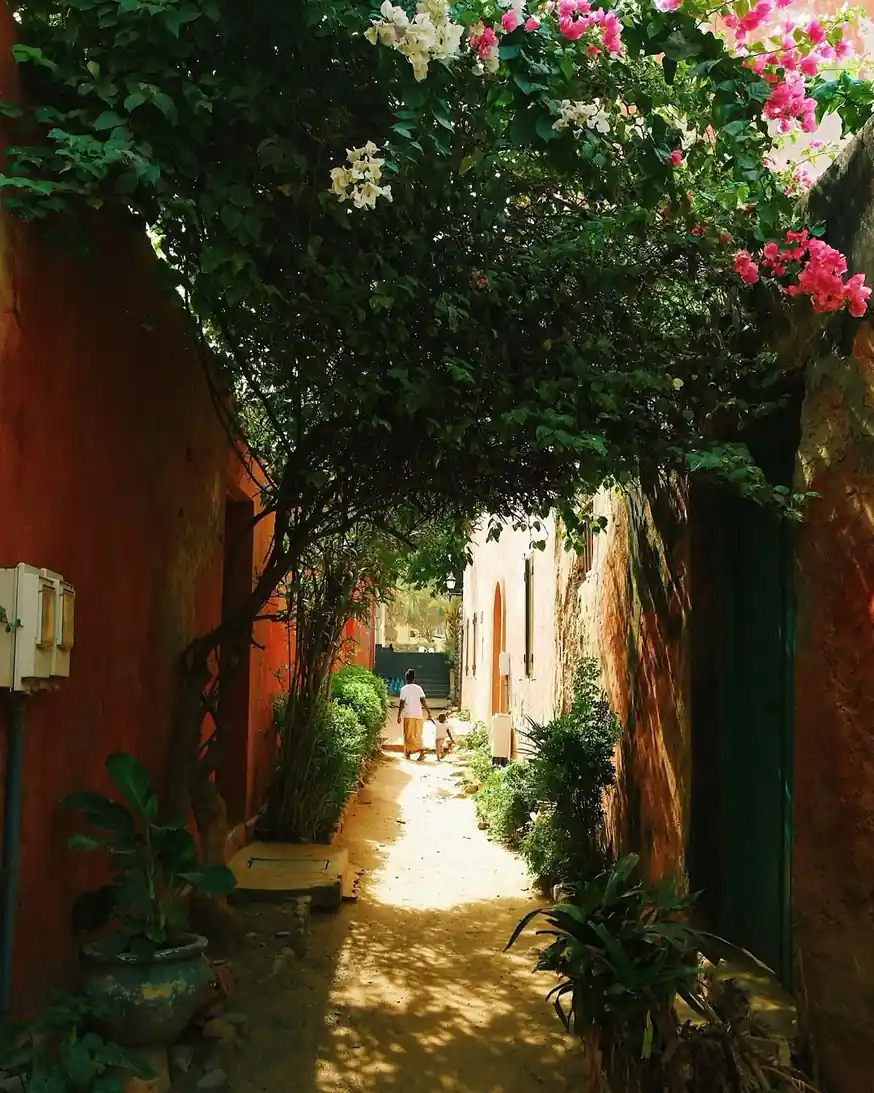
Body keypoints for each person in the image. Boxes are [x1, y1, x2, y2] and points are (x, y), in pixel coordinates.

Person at [397, 668, 432, 762]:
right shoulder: (419, 688)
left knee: (408, 735)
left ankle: (409, 754)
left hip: (408, 714)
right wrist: (428, 712)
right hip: (418, 715)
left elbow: (401, 703)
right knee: (417, 735)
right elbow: (423, 701)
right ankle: (420, 752)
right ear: (413, 679)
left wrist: (399, 715)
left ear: (406, 678)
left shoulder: (403, 689)